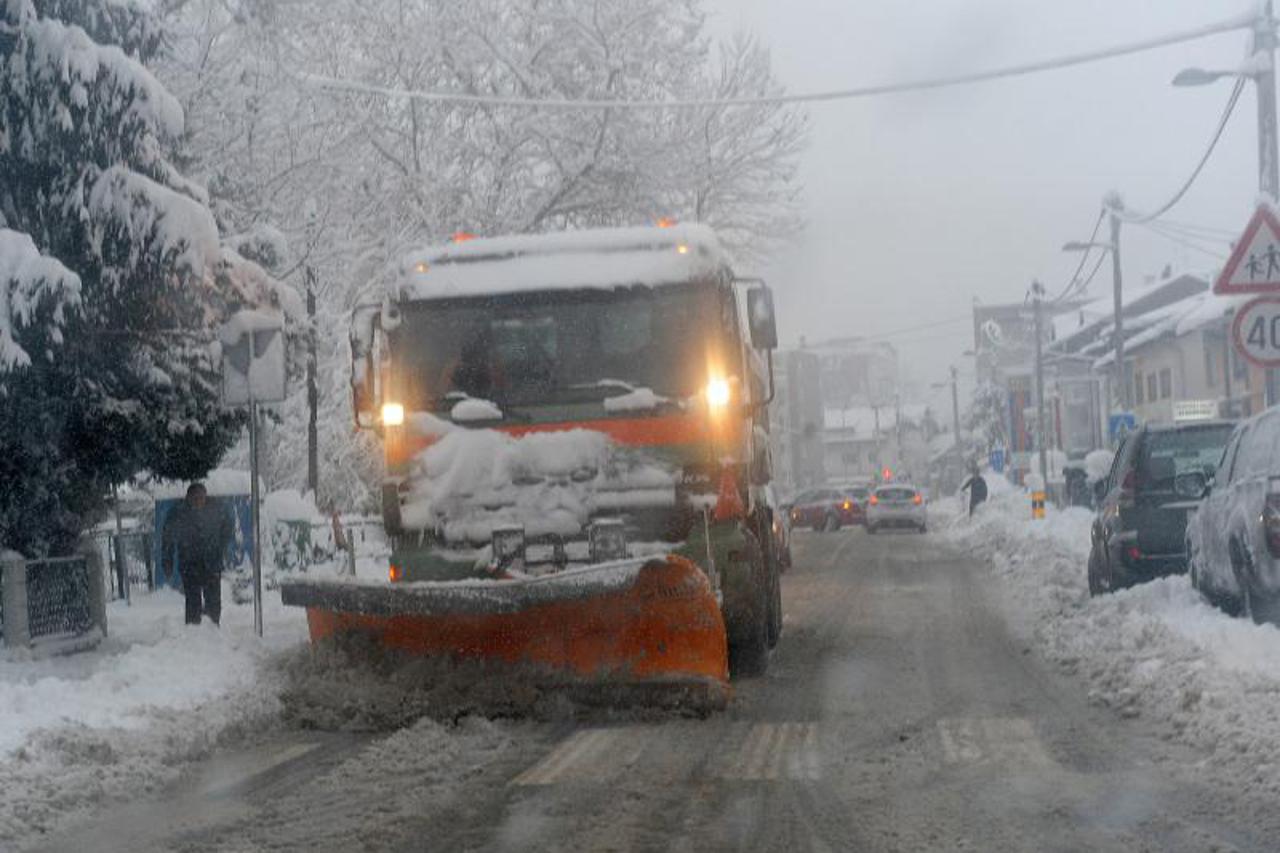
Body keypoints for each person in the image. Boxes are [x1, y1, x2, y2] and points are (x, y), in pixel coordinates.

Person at [161, 482, 234, 625]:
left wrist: (221, 546)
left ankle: (213, 629)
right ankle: (193, 632)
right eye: (195, 499)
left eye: (202, 498)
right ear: (188, 498)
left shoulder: (216, 509)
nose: (199, 502)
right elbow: (167, 539)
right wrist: (167, 561)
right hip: (189, 564)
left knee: (213, 601)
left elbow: (228, 527)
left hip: (211, 563)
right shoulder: (178, 512)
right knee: (193, 601)